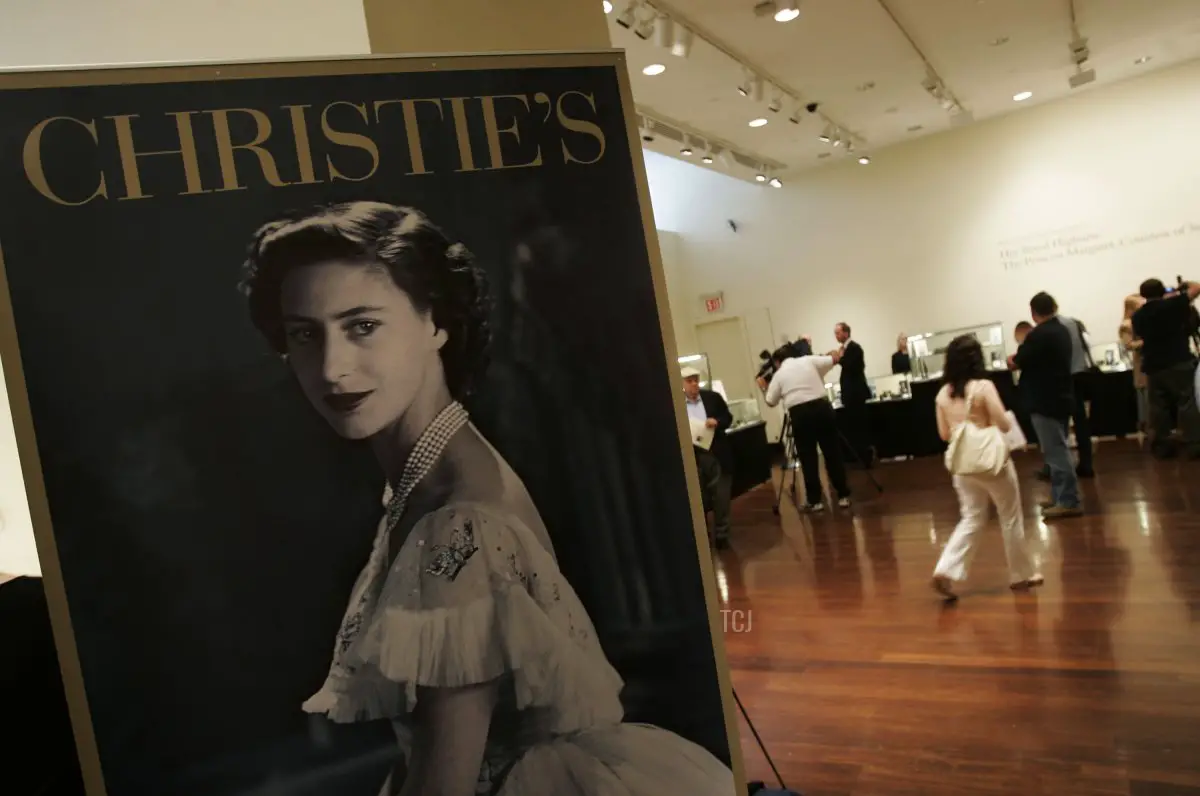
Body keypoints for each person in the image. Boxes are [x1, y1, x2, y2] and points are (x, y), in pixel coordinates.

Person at [239, 200, 735, 796]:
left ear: (435, 321)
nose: (331, 367)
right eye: (304, 334)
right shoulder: (426, 478)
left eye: (362, 326)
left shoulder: (459, 522)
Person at [931, 335, 1042, 600]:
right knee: (1010, 515)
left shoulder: (942, 395)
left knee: (971, 517)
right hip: (991, 463)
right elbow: (1003, 423)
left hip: (962, 465)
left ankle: (945, 569)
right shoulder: (983, 387)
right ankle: (1020, 574)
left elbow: (944, 434)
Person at [1008, 292, 1082, 519]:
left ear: (1033, 312)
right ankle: (1061, 496)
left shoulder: (1038, 335)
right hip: (1060, 396)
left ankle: (1068, 500)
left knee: (1055, 451)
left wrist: (1014, 359)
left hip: (1043, 400)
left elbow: (1016, 362)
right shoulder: (1061, 330)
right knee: (1059, 447)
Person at [759, 345, 852, 511]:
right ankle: (843, 495)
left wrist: (763, 387)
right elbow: (834, 359)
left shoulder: (779, 375)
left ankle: (815, 500)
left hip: (800, 414)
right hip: (822, 409)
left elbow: (770, 401)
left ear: (778, 362)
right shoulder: (808, 360)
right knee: (832, 452)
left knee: (808, 457)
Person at [1132, 277, 1200, 459]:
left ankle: (1162, 446)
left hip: (1154, 365)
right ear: (1162, 291)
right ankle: (1193, 444)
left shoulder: (1138, 316)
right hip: (1178, 360)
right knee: (1186, 403)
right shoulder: (1174, 305)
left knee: (1158, 407)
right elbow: (1197, 287)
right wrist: (1182, 286)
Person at [1033, 311, 1095, 479]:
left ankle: (1053, 467)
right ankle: (1086, 464)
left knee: (1057, 424)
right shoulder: (1074, 322)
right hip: (1080, 374)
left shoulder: (1050, 329)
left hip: (1062, 378)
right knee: (1081, 422)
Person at [681, 366, 734, 549]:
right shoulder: (676, 404)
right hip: (693, 455)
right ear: (682, 384)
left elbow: (728, 417)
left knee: (721, 494)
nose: (694, 384)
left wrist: (717, 422)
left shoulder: (712, 398)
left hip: (715, 452)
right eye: (689, 381)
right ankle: (702, 536)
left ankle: (722, 533)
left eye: (696, 379)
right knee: (698, 496)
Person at [833, 322, 872, 467]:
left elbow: (853, 367)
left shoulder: (855, 348)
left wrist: (840, 359)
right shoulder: (845, 349)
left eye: (838, 332)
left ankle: (865, 458)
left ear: (846, 333)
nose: (836, 336)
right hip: (851, 396)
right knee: (854, 427)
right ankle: (858, 457)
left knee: (860, 426)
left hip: (856, 395)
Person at [1118, 294, 1148, 434]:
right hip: (1141, 364)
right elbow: (1128, 345)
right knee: (1145, 398)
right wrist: (1147, 341)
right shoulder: (1127, 325)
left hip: (1148, 362)